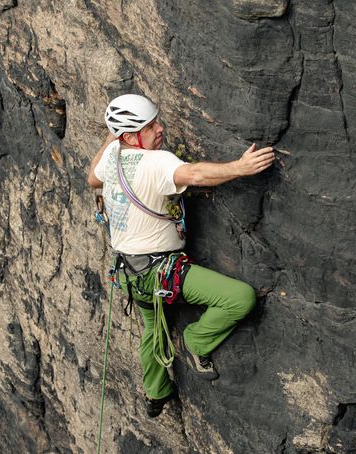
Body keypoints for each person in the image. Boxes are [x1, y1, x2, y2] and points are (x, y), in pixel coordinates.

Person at [87, 94, 275, 418]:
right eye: (151, 126)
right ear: (131, 136)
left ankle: (156, 392)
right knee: (240, 298)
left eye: (157, 121)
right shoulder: (155, 162)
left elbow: (93, 179)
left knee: (153, 326)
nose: (160, 129)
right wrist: (240, 168)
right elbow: (196, 175)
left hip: (128, 274)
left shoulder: (113, 156)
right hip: (160, 273)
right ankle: (197, 340)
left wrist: (112, 133)